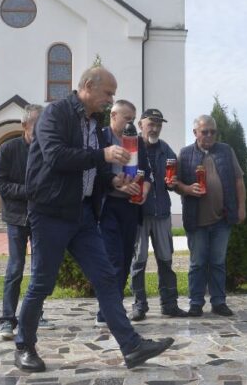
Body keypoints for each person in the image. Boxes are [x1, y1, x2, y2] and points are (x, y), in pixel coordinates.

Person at [15, 66, 173, 372]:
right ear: (88, 85)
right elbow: (56, 157)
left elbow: (88, 169)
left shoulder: (93, 121)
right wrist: (103, 157)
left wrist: (110, 181)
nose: (110, 99)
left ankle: (132, 347)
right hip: (50, 212)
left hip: (82, 213)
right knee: (42, 283)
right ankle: (24, 346)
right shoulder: (56, 114)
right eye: (108, 93)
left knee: (106, 278)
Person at [0, 104, 56, 340]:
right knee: (15, 268)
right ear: (24, 125)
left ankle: (36, 315)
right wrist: (27, 191)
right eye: (37, 126)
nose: (41, 131)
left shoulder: (48, 149)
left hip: (42, 217)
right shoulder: (8, 149)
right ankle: (7, 320)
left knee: (40, 270)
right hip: (16, 217)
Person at [175, 114, 245, 317]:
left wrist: (242, 208)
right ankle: (196, 303)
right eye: (204, 131)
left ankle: (218, 302)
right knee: (197, 263)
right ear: (195, 132)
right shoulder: (185, 154)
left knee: (218, 262)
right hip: (196, 220)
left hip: (222, 219)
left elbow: (239, 181)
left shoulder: (226, 151)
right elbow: (174, 182)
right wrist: (187, 189)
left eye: (212, 131)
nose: (209, 135)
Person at [94, 100, 151, 326]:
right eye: (127, 118)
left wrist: (144, 190)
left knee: (126, 259)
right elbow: (95, 171)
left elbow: (145, 172)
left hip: (131, 207)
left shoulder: (137, 141)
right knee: (112, 260)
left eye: (133, 119)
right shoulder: (100, 137)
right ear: (113, 115)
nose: (131, 124)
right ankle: (106, 312)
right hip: (107, 207)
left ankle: (112, 309)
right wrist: (116, 185)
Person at [128, 108, 187, 321]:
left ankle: (169, 304)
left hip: (161, 212)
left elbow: (173, 181)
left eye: (159, 124)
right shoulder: (131, 147)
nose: (155, 128)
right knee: (138, 261)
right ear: (140, 125)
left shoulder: (166, 150)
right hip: (138, 214)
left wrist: (172, 183)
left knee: (166, 260)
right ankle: (139, 305)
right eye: (151, 123)